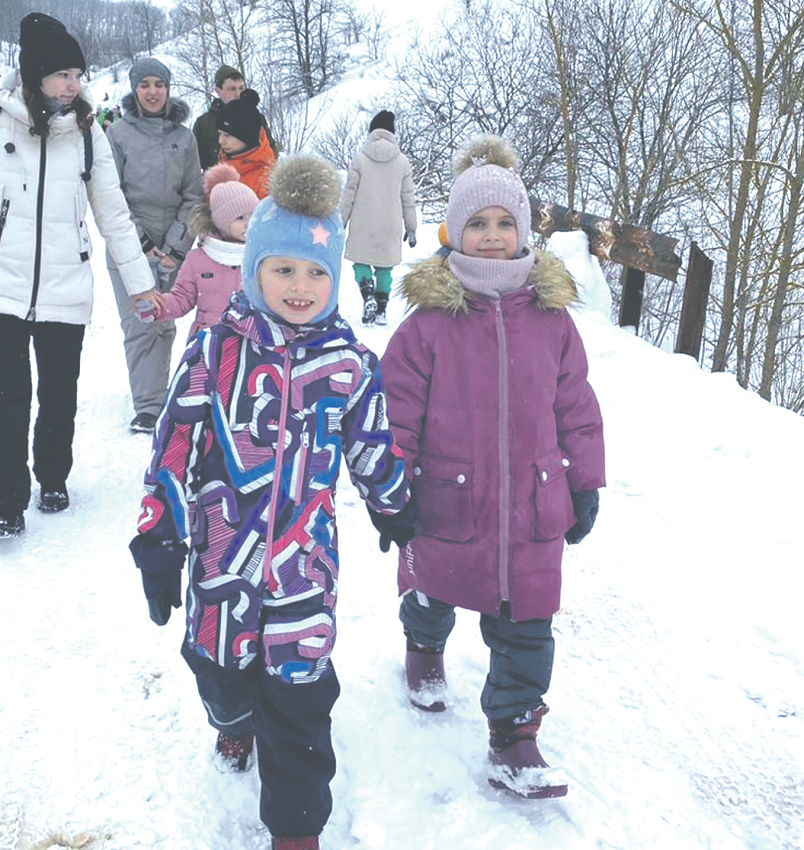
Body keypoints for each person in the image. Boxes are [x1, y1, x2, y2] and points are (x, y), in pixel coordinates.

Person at [129, 155, 414, 850]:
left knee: (300, 699)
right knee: (224, 684)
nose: (300, 285)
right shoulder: (213, 353)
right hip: (223, 567)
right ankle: (231, 724)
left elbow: (372, 443)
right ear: (253, 267)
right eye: (283, 268)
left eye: (317, 272)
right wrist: (158, 536)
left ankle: (296, 829)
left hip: (302, 572)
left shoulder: (349, 363)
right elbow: (172, 451)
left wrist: (394, 502)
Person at [380, 135, 605, 799]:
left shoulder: (552, 319)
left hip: (533, 504)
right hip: (449, 499)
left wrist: (585, 480)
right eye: (476, 223)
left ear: (525, 231)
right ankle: (423, 647)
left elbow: (577, 406)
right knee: (434, 590)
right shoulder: (427, 323)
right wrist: (391, 491)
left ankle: (514, 736)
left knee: (529, 623)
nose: (491, 235)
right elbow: (395, 413)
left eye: (505, 223)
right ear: (455, 231)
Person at [0, 13, 156, 539]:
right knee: (5, 394)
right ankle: (5, 502)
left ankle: (52, 475)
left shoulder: (89, 133)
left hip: (64, 282)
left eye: (77, 74)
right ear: (35, 76)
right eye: (63, 74)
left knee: (58, 390)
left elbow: (113, 213)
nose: (74, 84)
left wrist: (141, 283)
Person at [104, 57, 204, 434]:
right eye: (143, 84)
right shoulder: (118, 134)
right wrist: (141, 243)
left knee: (165, 324)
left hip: (173, 244)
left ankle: (159, 394)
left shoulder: (184, 137)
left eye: (158, 84)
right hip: (128, 244)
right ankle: (148, 407)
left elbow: (194, 196)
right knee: (141, 323)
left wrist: (176, 245)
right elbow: (110, 196)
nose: (151, 91)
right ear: (134, 89)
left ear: (168, 88)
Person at [145, 163, 259, 337]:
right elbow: (181, 298)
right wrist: (157, 306)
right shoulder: (199, 259)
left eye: (253, 215)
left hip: (250, 344)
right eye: (240, 218)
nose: (248, 223)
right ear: (222, 222)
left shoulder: (261, 257)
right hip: (208, 343)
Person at [338, 110, 417, 327]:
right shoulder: (402, 161)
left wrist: (340, 222)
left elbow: (349, 193)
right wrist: (411, 228)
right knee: (385, 267)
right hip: (390, 224)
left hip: (363, 222)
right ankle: (381, 310)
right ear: (392, 133)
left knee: (361, 262)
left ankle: (367, 294)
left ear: (372, 131)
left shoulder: (360, 158)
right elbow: (407, 197)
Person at [192, 64, 280, 172]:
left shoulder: (256, 118)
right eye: (232, 89)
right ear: (218, 91)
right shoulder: (204, 123)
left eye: (241, 88)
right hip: (220, 183)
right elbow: (195, 163)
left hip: (255, 182)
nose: (238, 94)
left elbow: (271, 151)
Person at [215, 88, 276, 198]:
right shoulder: (221, 167)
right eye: (219, 134)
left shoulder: (267, 180)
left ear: (247, 136)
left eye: (227, 135)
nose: (221, 141)